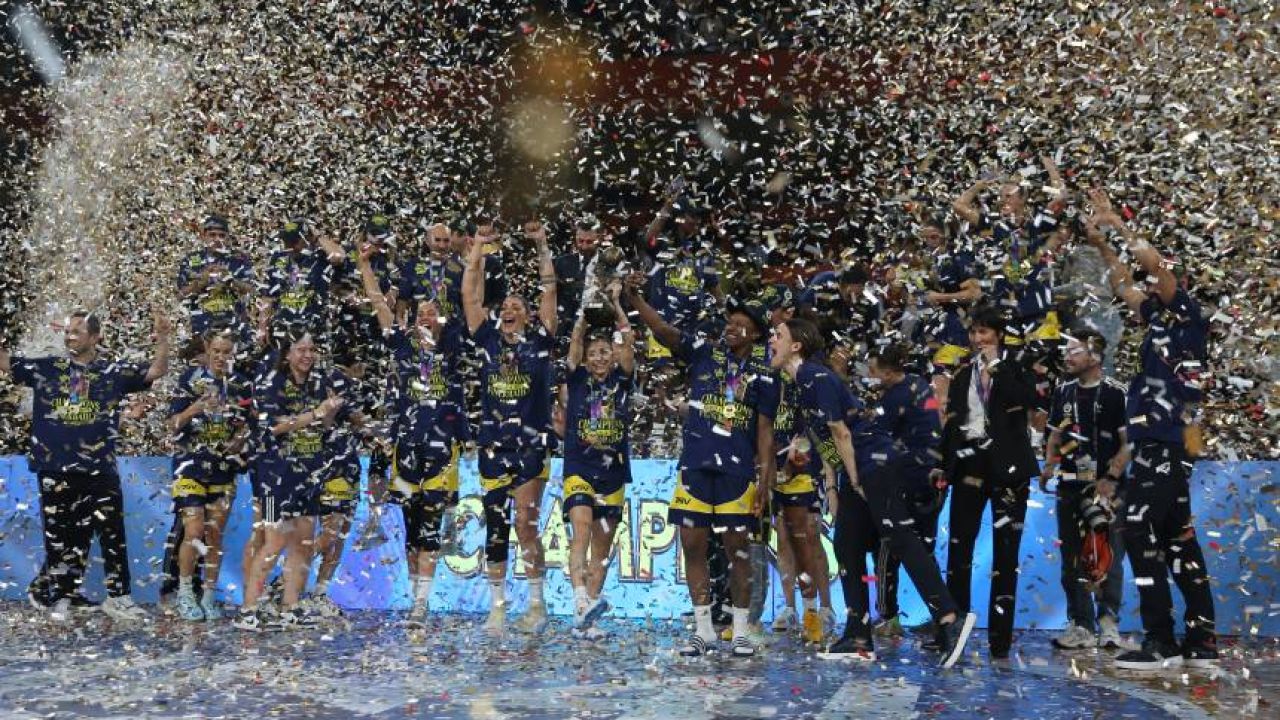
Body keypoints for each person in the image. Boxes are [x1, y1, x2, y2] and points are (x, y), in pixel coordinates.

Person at [770, 318, 975, 667]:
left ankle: (949, 618)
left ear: (796, 345)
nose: (771, 341)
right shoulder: (798, 384)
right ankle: (857, 632)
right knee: (847, 545)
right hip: (855, 468)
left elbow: (840, 432)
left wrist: (854, 480)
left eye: (778, 335)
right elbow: (820, 438)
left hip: (873, 463)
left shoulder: (815, 376)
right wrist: (832, 485)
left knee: (900, 538)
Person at [1083, 188, 1218, 671]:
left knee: (1140, 529)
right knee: (1179, 538)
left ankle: (1161, 640)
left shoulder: (1190, 318)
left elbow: (1156, 268)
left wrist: (1118, 223)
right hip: (1158, 445)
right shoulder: (1159, 319)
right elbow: (1125, 286)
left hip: (1166, 443)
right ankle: (1201, 642)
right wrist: (1101, 244)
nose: (1152, 287)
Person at [625, 276, 777, 658]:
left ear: (757, 333)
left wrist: (765, 480)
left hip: (737, 473)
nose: (731, 327)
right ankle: (704, 630)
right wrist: (635, 298)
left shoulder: (765, 375)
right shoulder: (704, 353)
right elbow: (664, 331)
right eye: (729, 321)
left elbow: (764, 432)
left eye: (741, 323)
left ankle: (740, 631)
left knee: (737, 550)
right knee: (692, 546)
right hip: (695, 465)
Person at [2, 308, 170, 622]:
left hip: (100, 468)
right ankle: (62, 596)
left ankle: (119, 597)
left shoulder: (112, 371)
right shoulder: (47, 367)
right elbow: (5, 362)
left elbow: (156, 371)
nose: (69, 336)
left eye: (77, 331)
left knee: (112, 532)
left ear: (95, 337)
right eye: (67, 331)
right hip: (55, 467)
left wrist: (163, 337)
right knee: (61, 537)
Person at [357, 243, 468, 625]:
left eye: (433, 313)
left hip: (442, 448)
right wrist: (364, 266)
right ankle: (415, 595)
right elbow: (378, 304)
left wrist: (469, 258)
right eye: (421, 313)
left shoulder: (452, 346)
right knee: (410, 528)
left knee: (430, 525)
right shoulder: (402, 345)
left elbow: (470, 299)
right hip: (405, 447)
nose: (426, 317)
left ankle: (421, 603)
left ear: (442, 319)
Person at [462, 219, 558, 636]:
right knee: (497, 528)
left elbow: (550, 289)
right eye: (506, 306)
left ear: (529, 316)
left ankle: (537, 605)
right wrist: (479, 248)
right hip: (492, 446)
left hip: (531, 446)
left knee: (524, 524)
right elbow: (469, 294)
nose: (509, 309)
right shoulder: (487, 340)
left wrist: (541, 245)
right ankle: (498, 608)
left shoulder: (540, 342)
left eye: (518, 306)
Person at [234, 331, 357, 631]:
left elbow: (323, 426)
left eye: (311, 349)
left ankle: (290, 607)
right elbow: (273, 428)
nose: (307, 355)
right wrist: (314, 413)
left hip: (308, 474)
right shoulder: (272, 383)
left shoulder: (319, 383)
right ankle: (249, 610)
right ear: (287, 353)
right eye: (301, 349)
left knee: (302, 542)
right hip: (274, 479)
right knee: (274, 541)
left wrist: (329, 412)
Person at [939, 305, 1040, 660]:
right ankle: (953, 632)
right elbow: (953, 423)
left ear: (998, 334)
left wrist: (997, 367)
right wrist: (943, 466)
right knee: (959, 551)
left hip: (1009, 470)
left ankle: (1000, 640)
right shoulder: (962, 373)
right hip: (969, 466)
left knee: (1006, 555)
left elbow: (1030, 400)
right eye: (973, 332)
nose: (977, 338)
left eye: (983, 331)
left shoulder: (1017, 366)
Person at [1039, 329, 1134, 651]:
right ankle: (1081, 625)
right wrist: (1049, 465)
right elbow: (1055, 435)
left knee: (1108, 557)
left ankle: (1109, 624)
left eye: (1075, 351)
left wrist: (1111, 476)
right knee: (1071, 558)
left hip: (1108, 488)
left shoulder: (1116, 393)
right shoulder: (1063, 392)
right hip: (1070, 485)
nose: (1067, 356)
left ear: (1095, 356)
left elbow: (1128, 443)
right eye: (1067, 350)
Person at [559, 284, 634, 638]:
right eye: (594, 353)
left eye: (605, 352)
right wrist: (582, 317)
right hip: (579, 468)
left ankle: (587, 619)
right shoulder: (577, 380)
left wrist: (617, 304)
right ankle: (579, 600)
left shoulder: (623, 380)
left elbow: (628, 341)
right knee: (582, 530)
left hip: (614, 474)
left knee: (601, 551)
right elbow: (575, 343)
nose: (600, 358)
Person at [168, 329, 253, 621]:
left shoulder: (242, 385)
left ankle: (208, 595)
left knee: (214, 535)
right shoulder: (188, 380)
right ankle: (184, 592)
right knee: (193, 531)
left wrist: (238, 440)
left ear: (234, 353)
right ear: (207, 349)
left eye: (226, 352)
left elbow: (249, 426)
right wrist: (195, 408)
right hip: (189, 467)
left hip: (223, 470)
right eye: (216, 351)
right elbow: (172, 424)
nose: (220, 357)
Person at [865, 343, 946, 640]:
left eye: (873, 372)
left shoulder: (894, 397)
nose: (870, 377)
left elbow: (874, 434)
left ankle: (888, 616)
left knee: (887, 546)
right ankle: (943, 614)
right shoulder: (919, 383)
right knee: (923, 550)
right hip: (932, 479)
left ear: (887, 372)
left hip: (907, 480)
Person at [257, 219, 347, 343]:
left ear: (308, 238)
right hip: (283, 329)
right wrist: (262, 327)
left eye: (294, 241)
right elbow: (268, 297)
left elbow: (339, 257)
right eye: (286, 242)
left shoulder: (321, 257)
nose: (290, 246)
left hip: (315, 329)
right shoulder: (278, 258)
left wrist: (318, 236)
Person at [176, 214, 257, 348]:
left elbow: (252, 290)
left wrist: (230, 280)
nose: (217, 239)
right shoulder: (192, 260)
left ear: (228, 238)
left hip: (234, 327)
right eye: (212, 235)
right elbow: (179, 295)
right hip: (202, 328)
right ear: (204, 236)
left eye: (221, 235)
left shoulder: (239, 259)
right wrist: (200, 283)